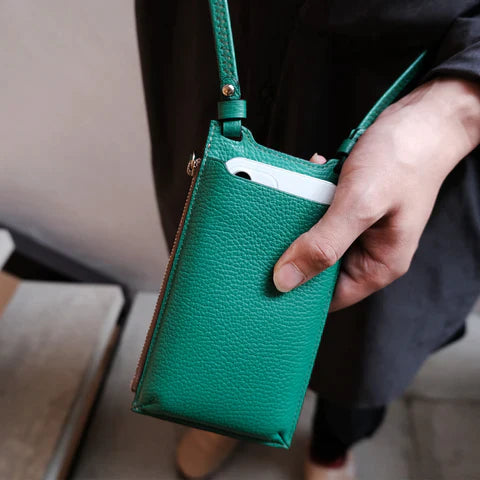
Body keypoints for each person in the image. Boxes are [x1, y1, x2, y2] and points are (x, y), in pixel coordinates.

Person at [135, 1, 480, 479]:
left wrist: (456, 111)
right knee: (223, 294)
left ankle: (332, 445)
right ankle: (220, 406)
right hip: (228, 45)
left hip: (405, 88)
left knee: (368, 339)